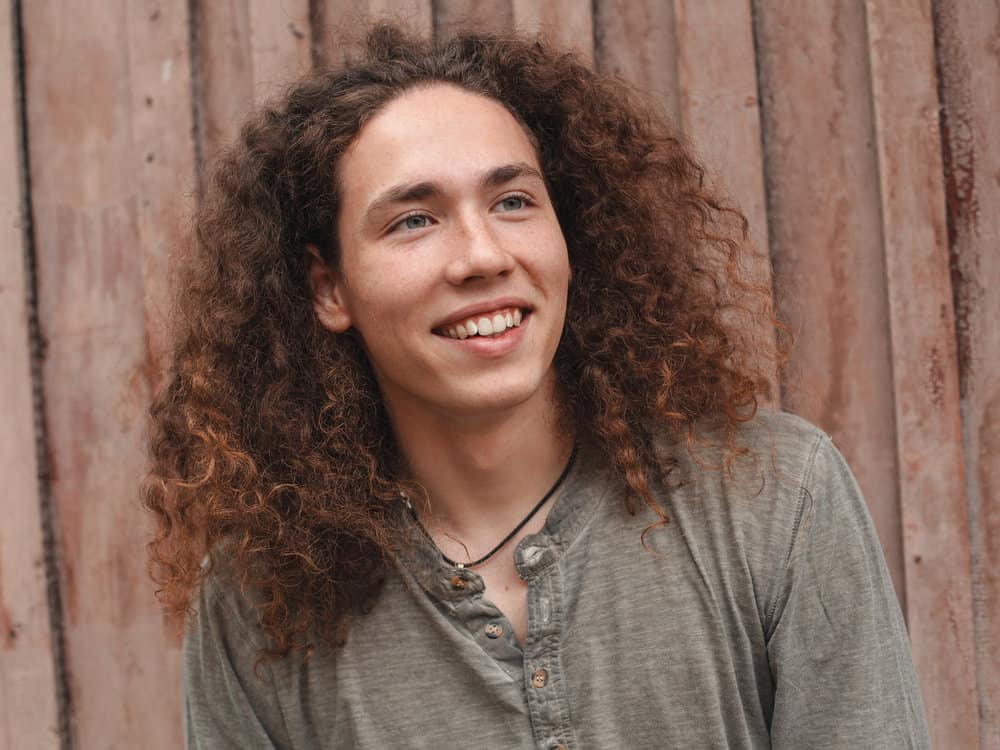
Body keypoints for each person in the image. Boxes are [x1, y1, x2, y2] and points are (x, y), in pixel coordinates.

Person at [144, 23, 930, 749]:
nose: (483, 255)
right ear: (328, 289)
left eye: (513, 201)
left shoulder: (776, 500)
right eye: (414, 220)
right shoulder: (260, 606)